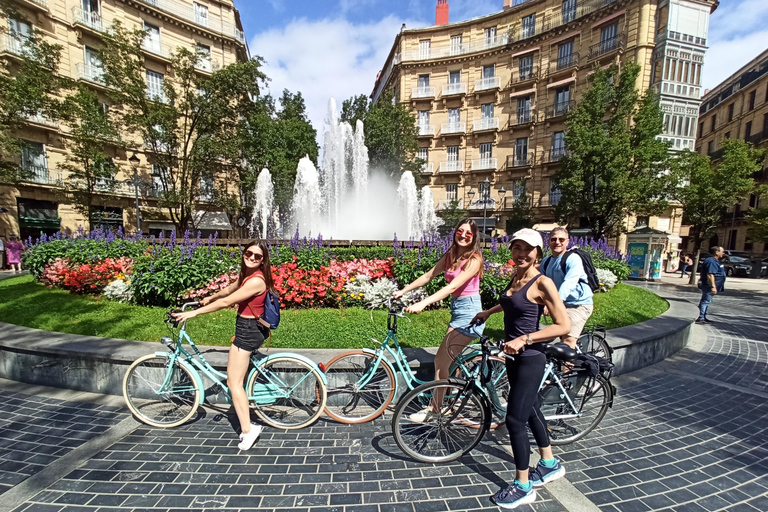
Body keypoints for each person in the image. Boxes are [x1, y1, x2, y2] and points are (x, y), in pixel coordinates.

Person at [472, 228, 571, 510]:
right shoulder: (516, 276)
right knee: (531, 411)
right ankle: (550, 464)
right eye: (516, 248)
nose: (521, 254)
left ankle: (524, 486)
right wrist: (487, 313)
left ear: (538, 253)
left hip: (530, 358)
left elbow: (563, 325)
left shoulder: (543, 283)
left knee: (515, 420)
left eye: (527, 249)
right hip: (514, 357)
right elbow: (511, 303)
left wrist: (525, 338)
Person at [173, 240, 275, 450]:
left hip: (248, 332)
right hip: (246, 328)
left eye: (257, 256)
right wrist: (209, 296)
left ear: (263, 260)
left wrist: (194, 313)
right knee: (238, 380)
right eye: (249, 253)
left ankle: (248, 430)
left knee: (233, 383)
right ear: (244, 253)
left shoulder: (257, 281)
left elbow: (227, 302)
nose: (252, 258)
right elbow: (229, 290)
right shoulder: (247, 275)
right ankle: (246, 410)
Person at [393, 218, 485, 421]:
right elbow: (428, 276)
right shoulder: (451, 255)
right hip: (458, 311)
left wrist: (423, 303)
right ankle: (448, 402)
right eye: (460, 231)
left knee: (441, 361)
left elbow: (452, 287)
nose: (463, 235)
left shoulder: (474, 259)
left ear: (474, 236)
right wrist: (404, 290)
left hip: (469, 313)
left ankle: (435, 411)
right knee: (445, 361)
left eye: (468, 233)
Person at [539, 227, 592, 350]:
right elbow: (540, 284)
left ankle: (569, 369)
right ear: (548, 242)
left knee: (567, 342)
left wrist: (554, 303)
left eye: (561, 239)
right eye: (553, 239)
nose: (557, 242)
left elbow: (569, 283)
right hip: (559, 305)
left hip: (578, 305)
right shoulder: (546, 261)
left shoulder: (573, 259)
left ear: (567, 242)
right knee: (542, 336)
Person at [696, 246, 725, 324]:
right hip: (708, 285)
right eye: (722, 251)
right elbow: (710, 274)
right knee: (705, 301)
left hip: (710, 285)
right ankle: (700, 317)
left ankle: (701, 315)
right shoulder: (711, 261)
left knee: (706, 300)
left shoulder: (714, 260)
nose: (723, 253)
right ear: (716, 252)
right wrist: (713, 286)